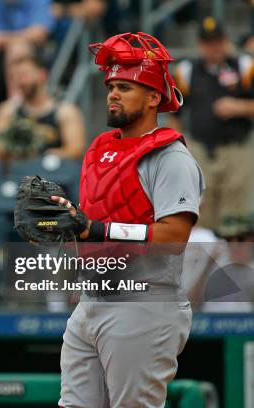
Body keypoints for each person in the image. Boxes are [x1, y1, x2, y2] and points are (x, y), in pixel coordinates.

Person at [41, 33, 204, 407]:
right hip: (91, 301)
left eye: (126, 87)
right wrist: (60, 229)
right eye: (111, 85)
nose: (113, 93)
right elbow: (94, 226)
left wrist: (98, 229)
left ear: (153, 97)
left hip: (144, 303)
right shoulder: (101, 149)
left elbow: (174, 235)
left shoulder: (170, 157)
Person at [171, 17, 254, 232]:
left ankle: (233, 262)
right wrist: (179, 148)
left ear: (226, 41)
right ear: (200, 45)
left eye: (218, 40)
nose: (214, 46)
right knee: (202, 213)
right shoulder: (187, 70)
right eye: (209, 42)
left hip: (237, 149)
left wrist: (238, 107)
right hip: (200, 150)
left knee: (235, 217)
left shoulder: (245, 66)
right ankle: (206, 262)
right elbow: (175, 113)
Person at [0, 56, 86, 160]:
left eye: (24, 74)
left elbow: (76, 150)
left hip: (52, 173)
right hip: (18, 171)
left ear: (42, 75)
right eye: (16, 76)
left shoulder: (65, 111)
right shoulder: (8, 110)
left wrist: (47, 157)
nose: (20, 81)